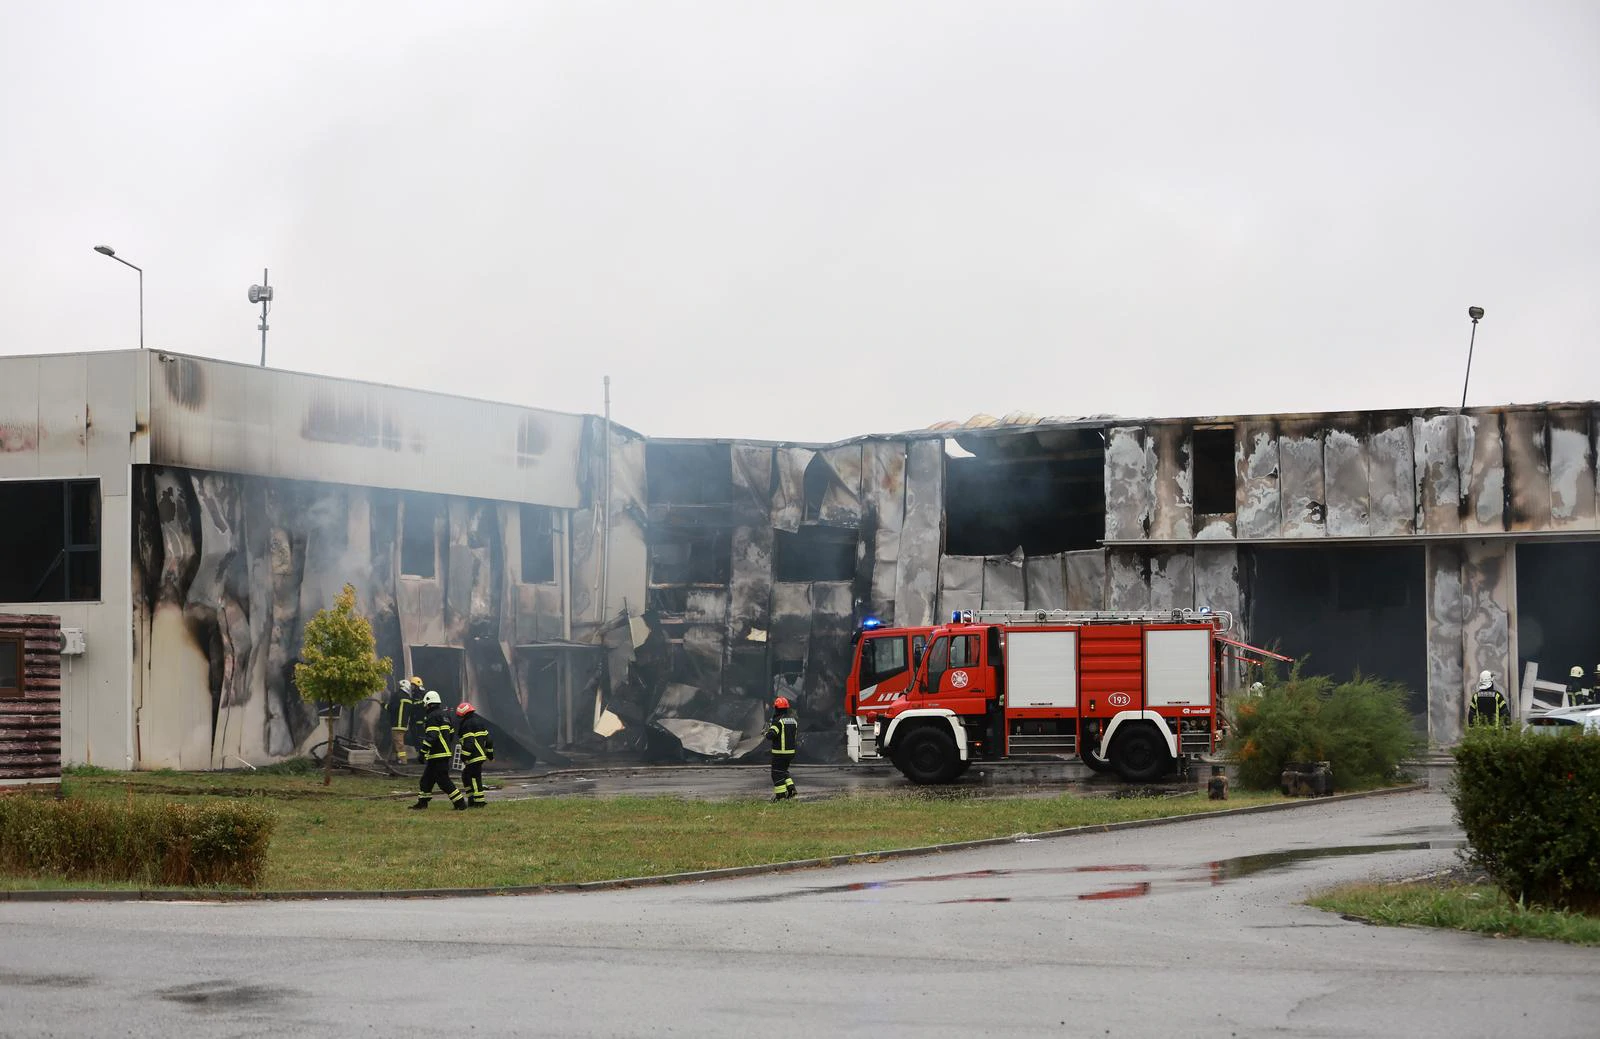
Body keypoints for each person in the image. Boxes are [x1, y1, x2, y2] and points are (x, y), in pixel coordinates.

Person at [408, 691, 466, 810]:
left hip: (438, 754)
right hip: (441, 753)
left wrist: (423, 752)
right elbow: (451, 734)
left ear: (428, 703)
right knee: (426, 780)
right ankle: (422, 803)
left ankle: (460, 803)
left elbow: (432, 736)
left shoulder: (432, 717)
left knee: (443, 781)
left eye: (426, 704)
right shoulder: (446, 716)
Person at [454, 701, 494, 808]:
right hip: (481, 756)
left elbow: (469, 742)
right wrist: (490, 754)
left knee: (473, 778)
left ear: (463, 714)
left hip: (473, 757)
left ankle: (479, 802)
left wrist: (464, 756)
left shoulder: (466, 725)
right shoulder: (480, 722)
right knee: (466, 776)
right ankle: (472, 799)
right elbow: (489, 740)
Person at [766, 696, 798, 801]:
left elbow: (771, 735)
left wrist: (766, 732)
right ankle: (791, 789)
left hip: (780, 753)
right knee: (783, 771)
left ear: (777, 708)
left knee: (776, 773)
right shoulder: (793, 721)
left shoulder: (778, 721)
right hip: (790, 753)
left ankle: (781, 796)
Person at [388, 676, 423, 765]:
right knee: (398, 742)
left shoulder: (398, 696)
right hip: (406, 725)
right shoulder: (409, 698)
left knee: (400, 744)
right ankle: (397, 758)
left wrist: (383, 704)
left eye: (414, 686)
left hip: (399, 725)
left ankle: (403, 761)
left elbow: (392, 708)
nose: (413, 688)